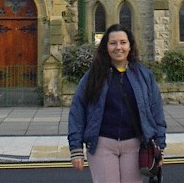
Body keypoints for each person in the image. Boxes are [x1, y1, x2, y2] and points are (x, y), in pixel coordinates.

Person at [68, 24, 166, 183]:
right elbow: (77, 111)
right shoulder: (93, 75)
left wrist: (160, 146)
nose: (118, 47)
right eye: (113, 43)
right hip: (102, 144)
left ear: (130, 46)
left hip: (135, 146)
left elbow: (156, 112)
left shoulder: (143, 75)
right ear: (106, 46)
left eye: (123, 42)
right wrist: (76, 148)